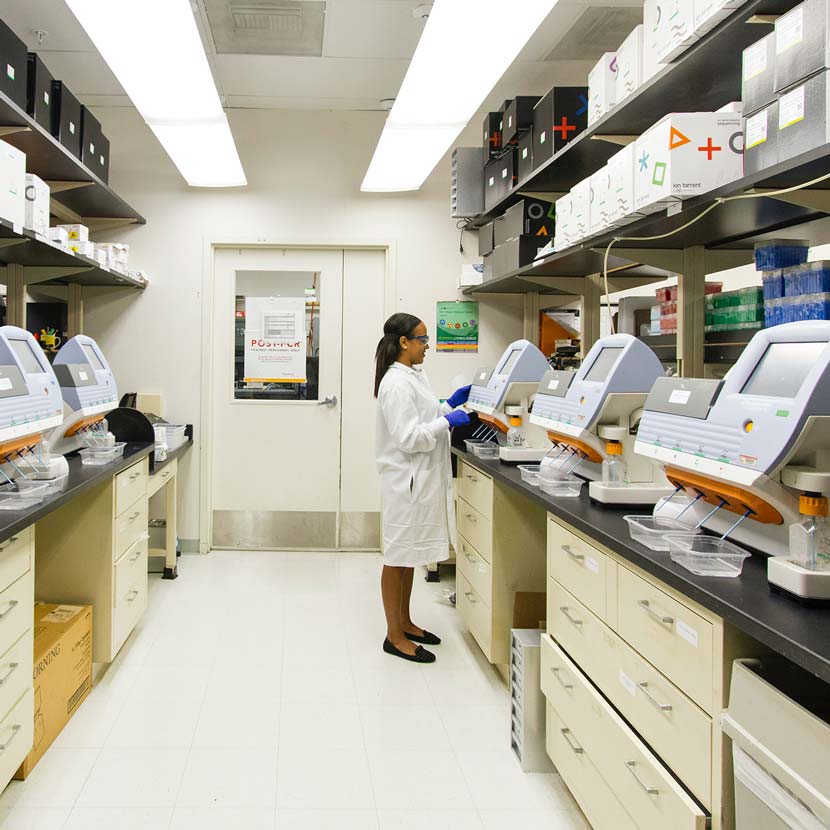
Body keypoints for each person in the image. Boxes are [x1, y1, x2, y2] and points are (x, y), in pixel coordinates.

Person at [374, 313, 471, 663]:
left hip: (417, 480)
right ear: (404, 342)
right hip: (405, 482)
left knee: (409, 557)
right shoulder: (396, 383)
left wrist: (448, 405)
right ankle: (393, 635)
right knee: (397, 557)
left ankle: (406, 622)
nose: (427, 346)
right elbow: (409, 436)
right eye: (423, 340)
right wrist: (447, 421)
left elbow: (422, 417)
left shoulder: (413, 375)